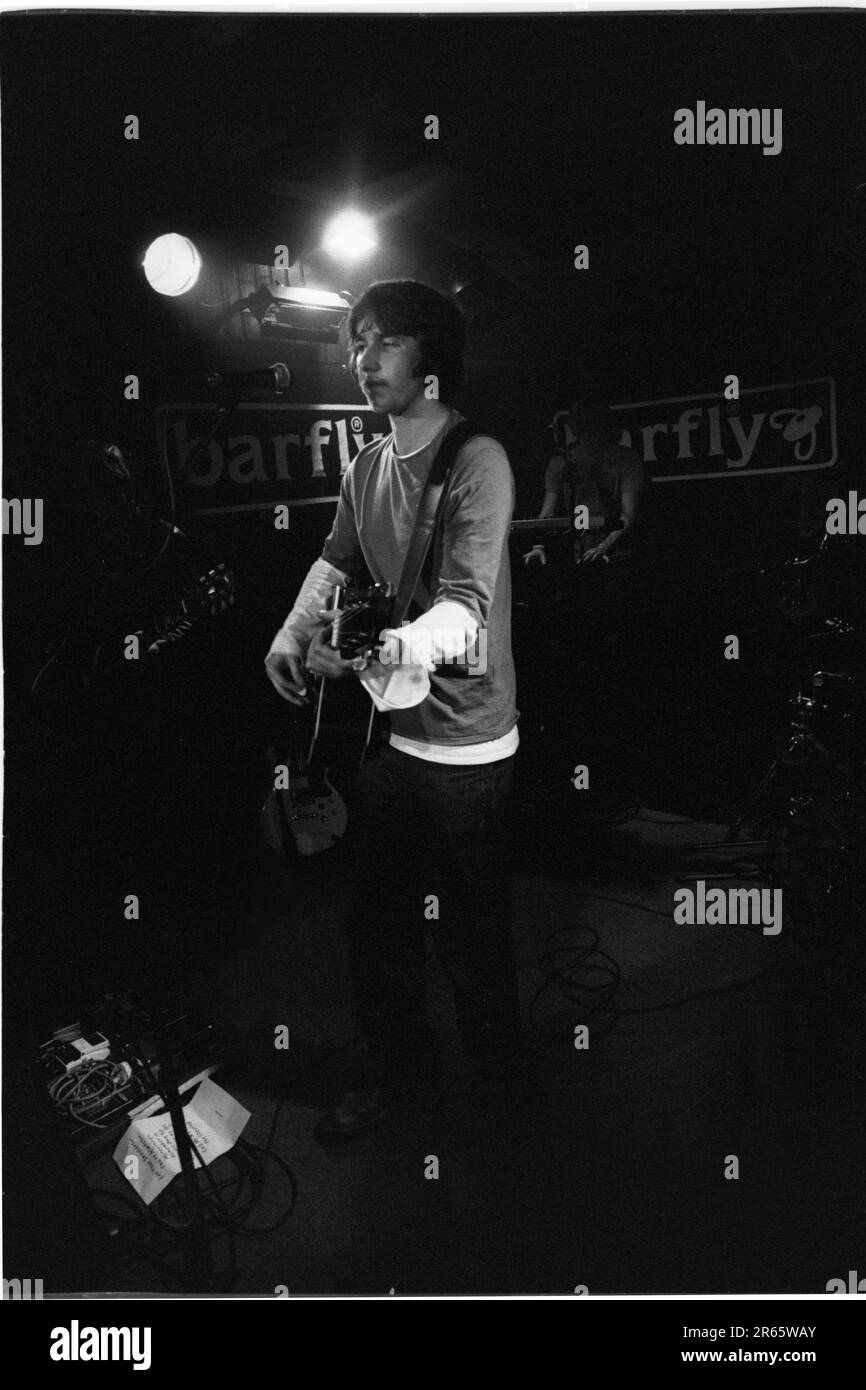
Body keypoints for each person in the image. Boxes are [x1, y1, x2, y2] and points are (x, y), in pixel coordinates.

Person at [265, 280, 522, 1142]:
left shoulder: (477, 459)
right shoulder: (366, 467)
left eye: (382, 342)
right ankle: (400, 1083)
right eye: (355, 343)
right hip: (387, 737)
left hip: (463, 748)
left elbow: (463, 616)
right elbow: (335, 562)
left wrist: (372, 652)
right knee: (377, 935)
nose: (361, 359)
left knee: (472, 944)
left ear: (432, 355)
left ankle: (498, 1100)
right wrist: (295, 632)